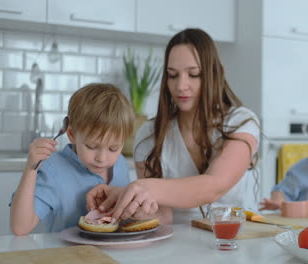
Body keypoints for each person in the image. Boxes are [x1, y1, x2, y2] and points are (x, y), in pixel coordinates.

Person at [85, 28, 260, 225]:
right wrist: (133, 202)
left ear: (216, 74)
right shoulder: (149, 135)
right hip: (179, 247)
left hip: (240, 244)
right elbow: (162, 217)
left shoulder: (242, 123)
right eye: (172, 75)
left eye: (194, 74)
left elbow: (214, 186)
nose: (181, 86)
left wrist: (143, 187)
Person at [10, 83, 135, 235]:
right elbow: (20, 228)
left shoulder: (120, 163)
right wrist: (31, 168)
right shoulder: (53, 170)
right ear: (72, 134)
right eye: (91, 146)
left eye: (113, 148)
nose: (102, 159)